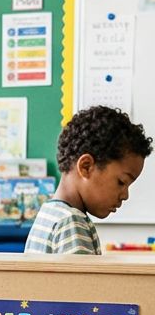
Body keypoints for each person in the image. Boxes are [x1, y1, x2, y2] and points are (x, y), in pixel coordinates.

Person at [25, 104, 151, 254]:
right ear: (86, 166)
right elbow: (82, 279)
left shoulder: (48, 213)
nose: (125, 195)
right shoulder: (72, 222)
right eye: (121, 182)